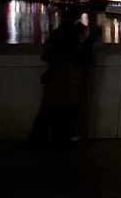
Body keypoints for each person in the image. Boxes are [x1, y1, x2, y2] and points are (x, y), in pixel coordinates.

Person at [29, 9, 93, 149]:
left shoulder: (57, 34)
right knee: (70, 112)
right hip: (74, 78)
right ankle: (64, 140)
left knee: (47, 111)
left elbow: (46, 55)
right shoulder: (81, 33)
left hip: (56, 77)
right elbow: (87, 57)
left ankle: (38, 140)